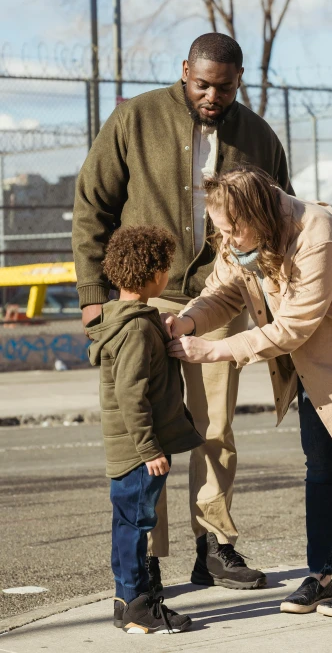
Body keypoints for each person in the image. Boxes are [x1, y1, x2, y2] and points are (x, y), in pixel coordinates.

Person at [73, 32, 293, 591]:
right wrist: (92, 295)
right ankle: (146, 556)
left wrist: (273, 295)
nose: (211, 96)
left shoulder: (258, 136)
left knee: (214, 428)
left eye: (223, 86)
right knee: (143, 426)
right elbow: (92, 205)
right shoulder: (136, 119)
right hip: (140, 299)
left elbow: (281, 215)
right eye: (201, 84)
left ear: (238, 79)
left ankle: (215, 547)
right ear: (184, 72)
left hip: (220, 297)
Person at [165, 167, 332, 619]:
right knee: (322, 468)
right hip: (322, 366)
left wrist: (212, 350)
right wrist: (187, 321)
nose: (226, 241)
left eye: (231, 230)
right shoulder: (245, 237)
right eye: (219, 231)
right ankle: (321, 577)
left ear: (259, 213)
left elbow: (293, 326)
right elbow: (223, 294)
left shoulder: (318, 234)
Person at [86, 225, 203, 633]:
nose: (168, 274)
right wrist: (151, 449)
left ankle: (125, 602)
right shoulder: (136, 328)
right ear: (152, 275)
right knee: (137, 526)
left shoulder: (123, 319)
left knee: (127, 524)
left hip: (129, 448)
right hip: (141, 451)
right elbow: (131, 394)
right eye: (166, 267)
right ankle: (139, 605)